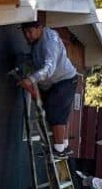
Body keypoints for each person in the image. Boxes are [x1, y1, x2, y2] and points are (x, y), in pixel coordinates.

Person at [18, 14, 79, 157]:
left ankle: (58, 150)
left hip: (65, 79)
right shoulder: (36, 42)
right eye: (25, 33)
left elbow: (48, 69)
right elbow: (34, 60)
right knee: (53, 113)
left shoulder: (49, 41)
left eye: (30, 32)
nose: (27, 36)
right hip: (52, 83)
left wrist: (30, 79)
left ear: (39, 28)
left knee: (56, 113)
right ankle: (62, 146)